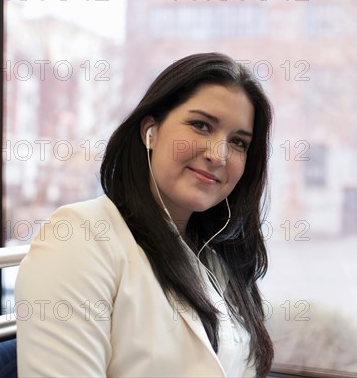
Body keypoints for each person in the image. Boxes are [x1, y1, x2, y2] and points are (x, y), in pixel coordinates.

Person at [15, 53, 274, 377]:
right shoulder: (80, 236)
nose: (219, 155)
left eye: (238, 142)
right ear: (150, 131)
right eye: (201, 125)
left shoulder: (216, 255)